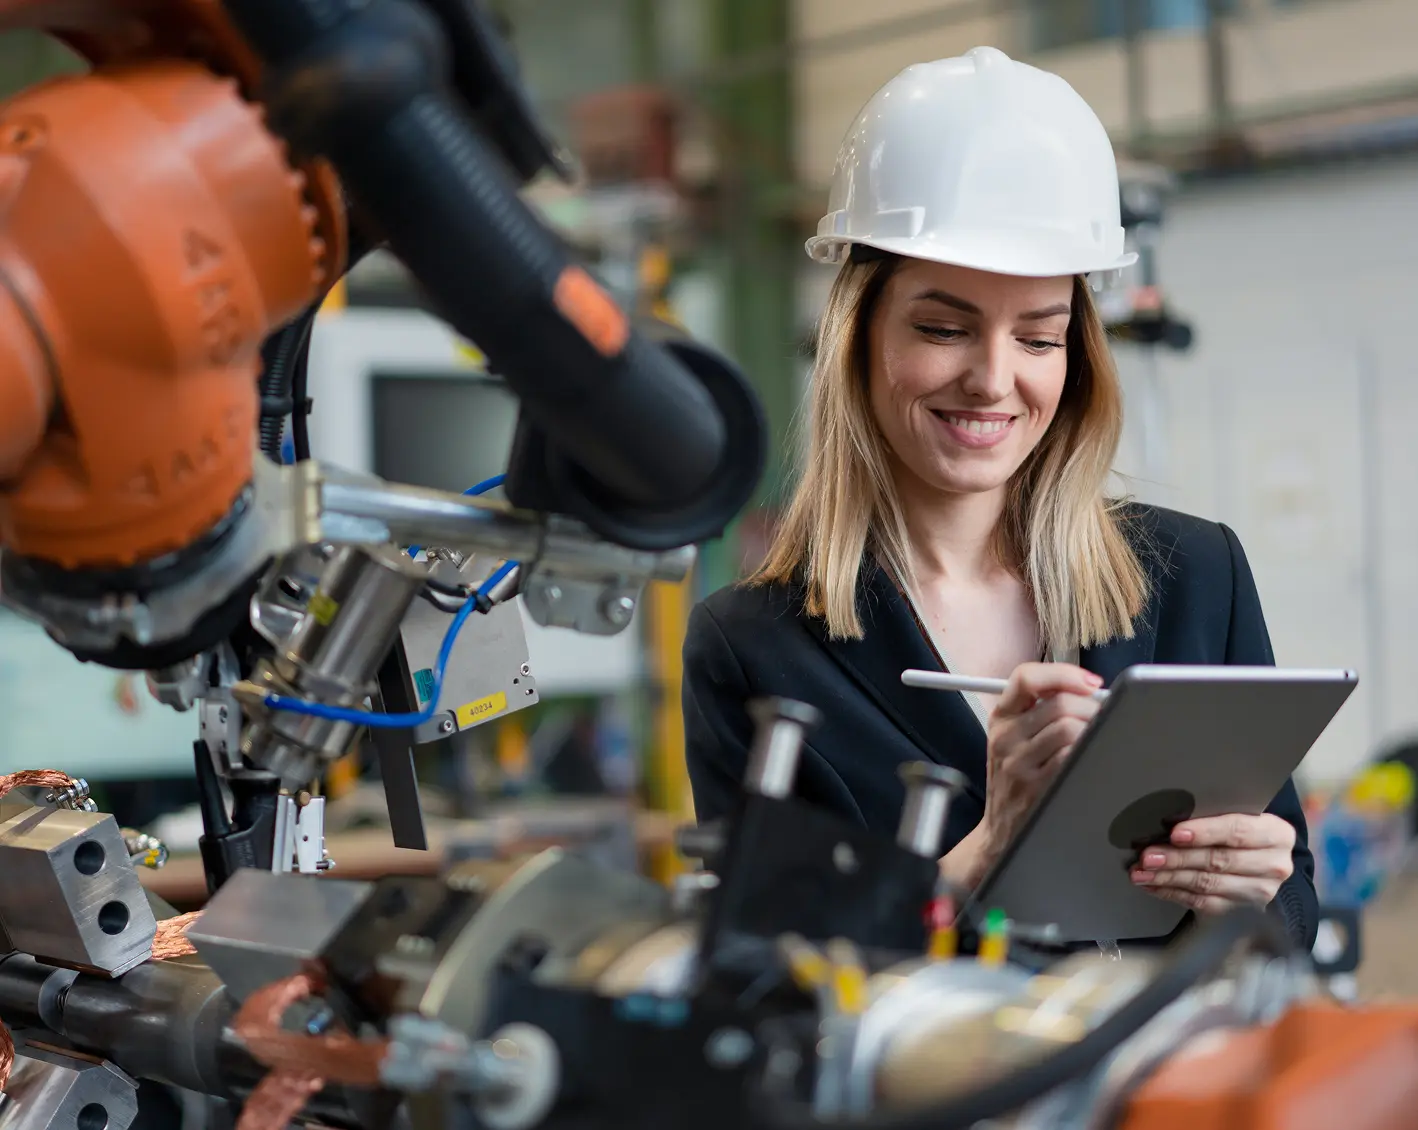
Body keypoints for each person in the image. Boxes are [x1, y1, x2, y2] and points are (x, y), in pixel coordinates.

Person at [682, 46, 1317, 949]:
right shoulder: (754, 649)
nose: (993, 379)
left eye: (1039, 339)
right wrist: (984, 852)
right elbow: (763, 984)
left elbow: (1290, 924)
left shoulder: (1192, 577)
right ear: (857, 337)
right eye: (944, 328)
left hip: (1154, 1083)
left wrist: (1247, 890)